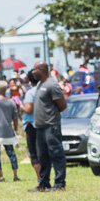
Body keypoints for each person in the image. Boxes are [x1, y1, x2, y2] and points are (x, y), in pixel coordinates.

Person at [30, 61, 67, 191]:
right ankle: (44, 183)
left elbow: (62, 105)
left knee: (56, 154)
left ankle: (59, 183)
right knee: (43, 157)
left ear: (42, 70)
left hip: (51, 126)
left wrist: (51, 117)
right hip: (40, 127)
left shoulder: (52, 85)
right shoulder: (40, 84)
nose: (32, 72)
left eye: (35, 69)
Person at [20, 71, 40, 181]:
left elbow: (28, 109)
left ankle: (40, 179)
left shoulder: (30, 92)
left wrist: (20, 105)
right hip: (44, 123)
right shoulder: (45, 90)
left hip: (31, 124)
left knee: (34, 154)